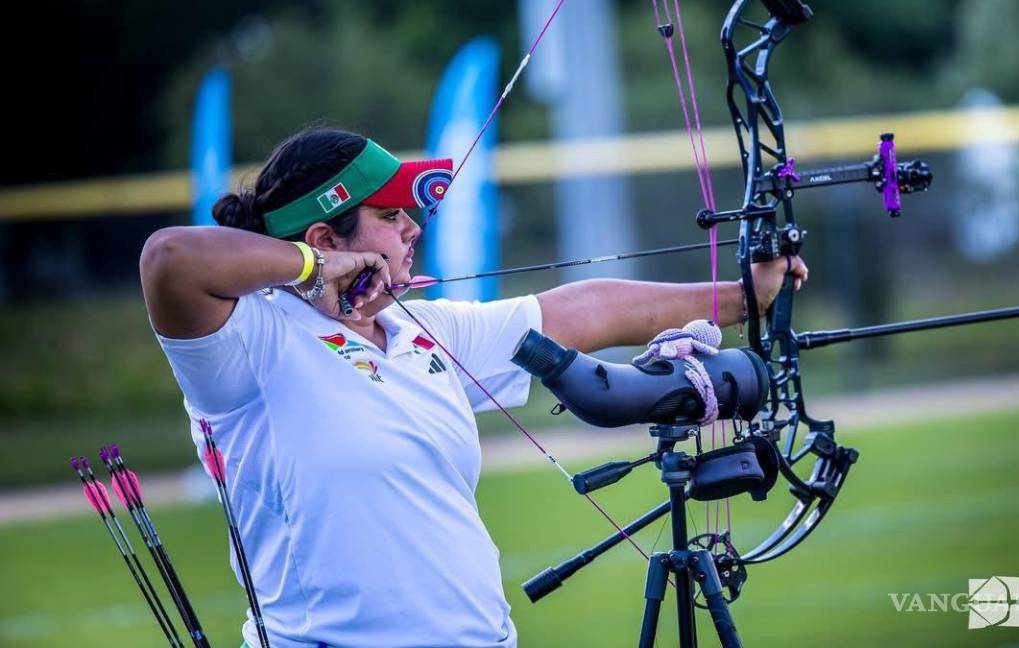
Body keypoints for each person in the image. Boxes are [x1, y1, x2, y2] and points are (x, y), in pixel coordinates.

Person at [139, 128, 808, 648]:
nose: (412, 228)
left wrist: (743, 297)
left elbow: (585, 311)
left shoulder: (420, 328)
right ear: (323, 235)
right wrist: (317, 269)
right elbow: (169, 260)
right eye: (390, 214)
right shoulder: (249, 342)